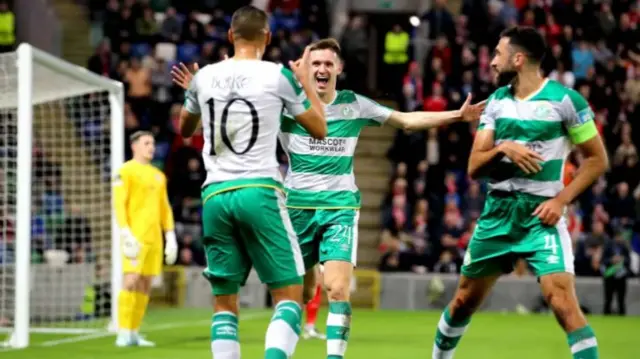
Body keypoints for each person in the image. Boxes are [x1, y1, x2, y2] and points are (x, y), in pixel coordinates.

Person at [173, 37, 484, 359]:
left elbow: (405, 119)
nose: (321, 69)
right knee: (302, 294)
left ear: (338, 68)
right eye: (315, 63)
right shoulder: (286, 105)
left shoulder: (355, 104)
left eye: (327, 63)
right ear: (307, 68)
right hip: (295, 208)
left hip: (339, 208)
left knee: (337, 288)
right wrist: (204, 87)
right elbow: (235, 117)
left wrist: (456, 116)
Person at [431, 26, 609, 359]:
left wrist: (560, 200)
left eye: (497, 54)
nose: (492, 62)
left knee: (562, 302)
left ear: (518, 58)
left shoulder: (566, 101)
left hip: (541, 214)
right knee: (462, 302)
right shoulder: (496, 102)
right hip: (497, 212)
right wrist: (504, 149)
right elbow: (474, 166)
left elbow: (597, 160)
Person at [175, 6, 326, 359]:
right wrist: (303, 79)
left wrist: (193, 93)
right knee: (290, 297)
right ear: (268, 38)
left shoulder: (205, 77)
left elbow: (184, 130)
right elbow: (320, 128)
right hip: (259, 190)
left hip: (214, 196)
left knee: (224, 304)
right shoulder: (277, 77)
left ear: (230, 36)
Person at [113, 130, 178, 347]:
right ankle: (122, 330)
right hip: (135, 237)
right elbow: (119, 203)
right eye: (146, 143)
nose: (151, 147)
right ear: (134, 146)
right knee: (130, 280)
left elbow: (164, 207)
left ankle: (134, 332)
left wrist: (170, 235)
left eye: (153, 143)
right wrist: (125, 231)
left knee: (145, 285)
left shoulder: (158, 175)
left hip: (154, 239)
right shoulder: (125, 171)